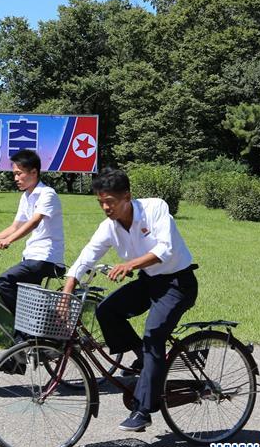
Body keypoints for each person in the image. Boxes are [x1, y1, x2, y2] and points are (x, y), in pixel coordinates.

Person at [62, 167, 198, 432]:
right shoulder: (109, 227)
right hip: (149, 281)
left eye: (110, 201)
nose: (105, 207)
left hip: (177, 283)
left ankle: (143, 411)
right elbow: (86, 256)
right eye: (100, 202)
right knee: (107, 310)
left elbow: (165, 249)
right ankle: (143, 358)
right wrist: (67, 290)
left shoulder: (154, 208)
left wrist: (130, 265)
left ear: (127, 196)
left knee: (153, 336)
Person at [0, 149, 65, 373]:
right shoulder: (26, 196)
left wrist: (8, 241)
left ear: (34, 172)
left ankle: (32, 334)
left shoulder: (47, 194)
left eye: (19, 173)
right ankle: (19, 358)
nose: (16, 178)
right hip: (32, 257)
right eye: (14, 174)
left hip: (47, 258)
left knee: (5, 282)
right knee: (25, 304)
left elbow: (34, 223)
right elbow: (15, 225)